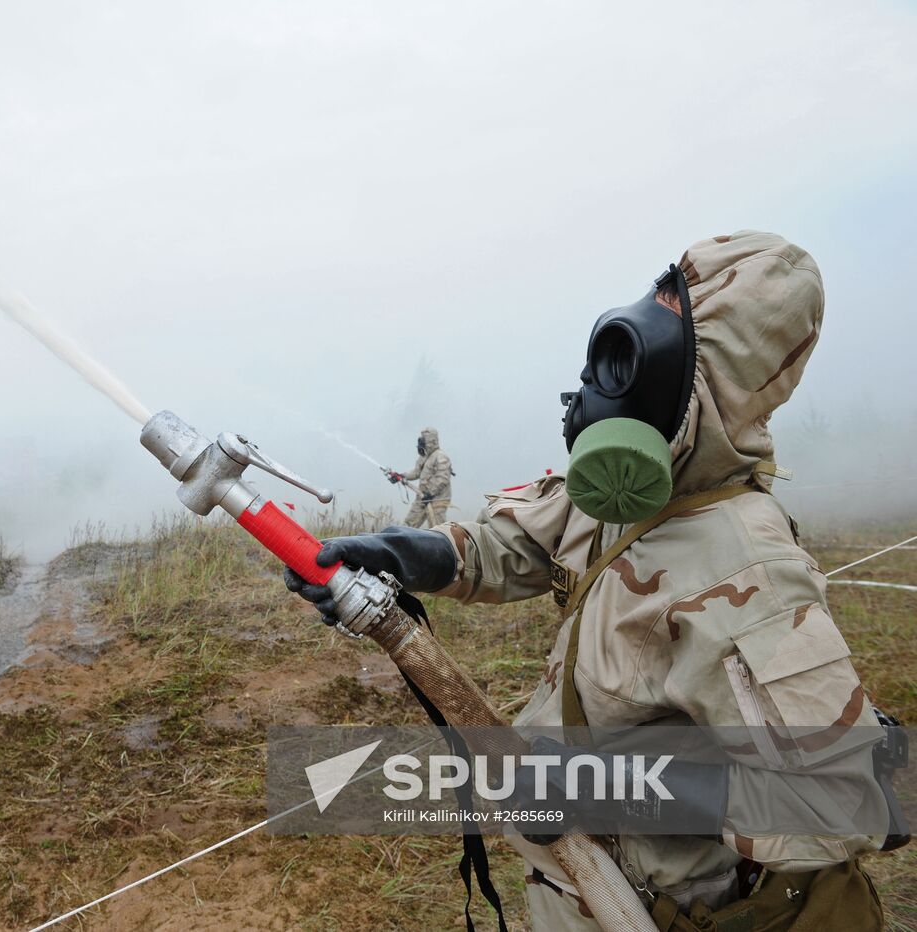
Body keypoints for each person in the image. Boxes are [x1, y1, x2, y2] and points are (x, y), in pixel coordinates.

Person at [287, 232, 896, 930]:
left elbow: (836, 801)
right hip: (578, 892)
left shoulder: (745, 569)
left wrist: (599, 790)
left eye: (625, 361)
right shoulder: (624, 500)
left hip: (658, 910)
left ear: (703, 386)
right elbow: (506, 546)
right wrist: (398, 554)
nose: (593, 386)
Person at [393, 427, 453, 527]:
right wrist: (402, 476)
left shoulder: (441, 457)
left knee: (438, 529)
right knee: (408, 525)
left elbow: (442, 478)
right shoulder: (425, 457)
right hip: (422, 498)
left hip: (438, 500)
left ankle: (440, 543)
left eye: (424, 440)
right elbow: (416, 472)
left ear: (431, 441)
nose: (421, 443)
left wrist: (430, 493)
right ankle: (403, 542)